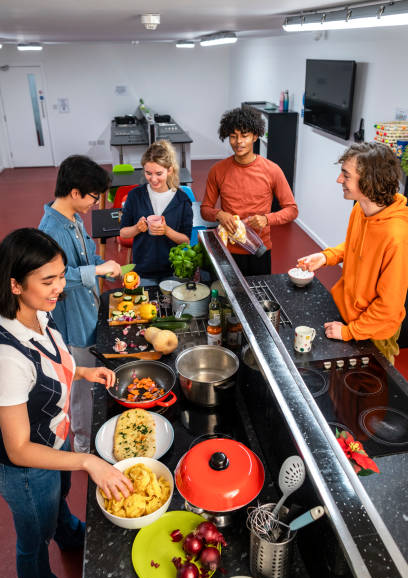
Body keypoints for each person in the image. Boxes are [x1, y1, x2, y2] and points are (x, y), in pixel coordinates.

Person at [0, 228, 132, 578]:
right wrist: (88, 460)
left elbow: (52, 359)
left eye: (61, 276)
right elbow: (19, 449)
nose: (59, 287)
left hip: (54, 444)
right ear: (15, 284)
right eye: (48, 280)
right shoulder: (7, 358)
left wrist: (84, 373)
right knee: (33, 545)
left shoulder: (40, 311)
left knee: (57, 501)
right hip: (27, 468)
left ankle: (71, 533)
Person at [39, 155, 122, 453]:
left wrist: (106, 264)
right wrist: (97, 271)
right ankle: (84, 446)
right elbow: (55, 279)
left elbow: (88, 257)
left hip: (88, 310)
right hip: (73, 320)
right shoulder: (51, 231)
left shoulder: (73, 220)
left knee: (91, 379)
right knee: (81, 387)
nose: (94, 203)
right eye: (93, 197)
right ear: (75, 192)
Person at [298, 142, 408, 364]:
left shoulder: (397, 235)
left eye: (346, 175)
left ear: (369, 181)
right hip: (348, 316)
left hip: (373, 334)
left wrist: (348, 332)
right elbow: (357, 247)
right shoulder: (361, 208)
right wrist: (327, 256)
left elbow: (388, 308)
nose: (339, 180)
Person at [200, 107, 298, 275]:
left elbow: (292, 210)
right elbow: (205, 210)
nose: (238, 142)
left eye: (244, 136)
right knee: (228, 299)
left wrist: (267, 219)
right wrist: (219, 214)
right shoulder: (217, 170)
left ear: (255, 136)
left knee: (259, 297)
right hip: (228, 249)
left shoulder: (272, 170)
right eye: (233, 136)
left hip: (259, 249)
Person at [120, 140, 193, 285]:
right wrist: (136, 228)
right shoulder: (135, 196)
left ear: (170, 170)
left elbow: (186, 240)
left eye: (159, 173)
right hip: (143, 270)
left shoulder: (182, 200)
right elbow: (123, 233)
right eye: (148, 173)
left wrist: (166, 231)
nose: (153, 179)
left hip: (173, 270)